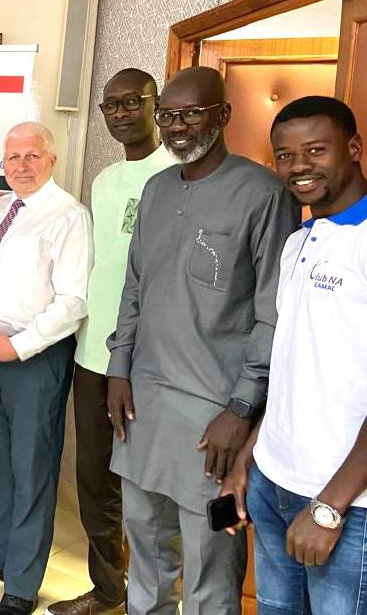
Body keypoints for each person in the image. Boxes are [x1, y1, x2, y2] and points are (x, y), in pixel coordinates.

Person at [105, 66, 300, 614]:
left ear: (223, 115)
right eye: (169, 115)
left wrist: (241, 409)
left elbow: (274, 313)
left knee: (211, 565)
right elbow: (135, 285)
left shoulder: (263, 194)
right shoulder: (156, 189)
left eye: (192, 113)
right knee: (145, 552)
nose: (177, 126)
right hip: (142, 408)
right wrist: (119, 366)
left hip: (213, 420)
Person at [222, 96, 367, 614]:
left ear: (354, 148)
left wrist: (330, 507)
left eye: (315, 150)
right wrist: (249, 458)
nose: (299, 166)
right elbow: (293, 367)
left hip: (347, 506)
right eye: (285, 155)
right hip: (274, 482)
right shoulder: (298, 243)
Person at [0, 122, 93, 615]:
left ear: (51, 160)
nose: (22, 165)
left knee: (32, 471)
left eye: (32, 155)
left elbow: (74, 301)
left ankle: (22, 586)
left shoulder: (68, 216)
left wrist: (21, 345)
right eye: (13, 157)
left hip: (35, 360)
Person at [49, 68, 173, 615]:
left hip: (147, 361)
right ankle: (108, 591)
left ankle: (154, 597)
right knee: (95, 480)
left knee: (147, 485)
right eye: (110, 105)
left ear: (155, 105)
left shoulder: (175, 175)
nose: (120, 113)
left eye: (131, 102)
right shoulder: (103, 181)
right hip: (92, 354)